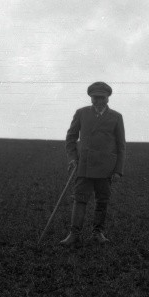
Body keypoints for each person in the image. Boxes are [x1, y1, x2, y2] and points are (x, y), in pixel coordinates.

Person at [60, 81, 126, 247]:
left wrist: (118, 170)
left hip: (106, 168)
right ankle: (74, 234)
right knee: (80, 199)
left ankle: (98, 233)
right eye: (94, 98)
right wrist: (72, 158)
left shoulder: (116, 117)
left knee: (102, 200)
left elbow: (121, 145)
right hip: (85, 165)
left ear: (107, 98)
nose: (98, 101)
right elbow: (71, 138)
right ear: (90, 97)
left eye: (101, 98)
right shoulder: (81, 113)